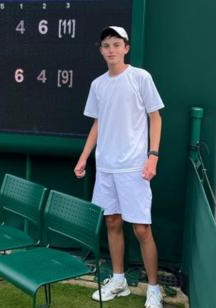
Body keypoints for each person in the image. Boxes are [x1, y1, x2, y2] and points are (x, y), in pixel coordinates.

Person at [73, 26, 164, 308]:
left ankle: (154, 289)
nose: (111, 49)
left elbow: (156, 118)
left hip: (134, 168)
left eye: (116, 44)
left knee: (141, 230)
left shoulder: (140, 78)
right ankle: (119, 280)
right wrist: (83, 157)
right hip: (106, 168)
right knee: (112, 223)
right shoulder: (98, 85)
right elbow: (98, 124)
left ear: (126, 48)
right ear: (101, 51)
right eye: (106, 45)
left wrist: (153, 156)